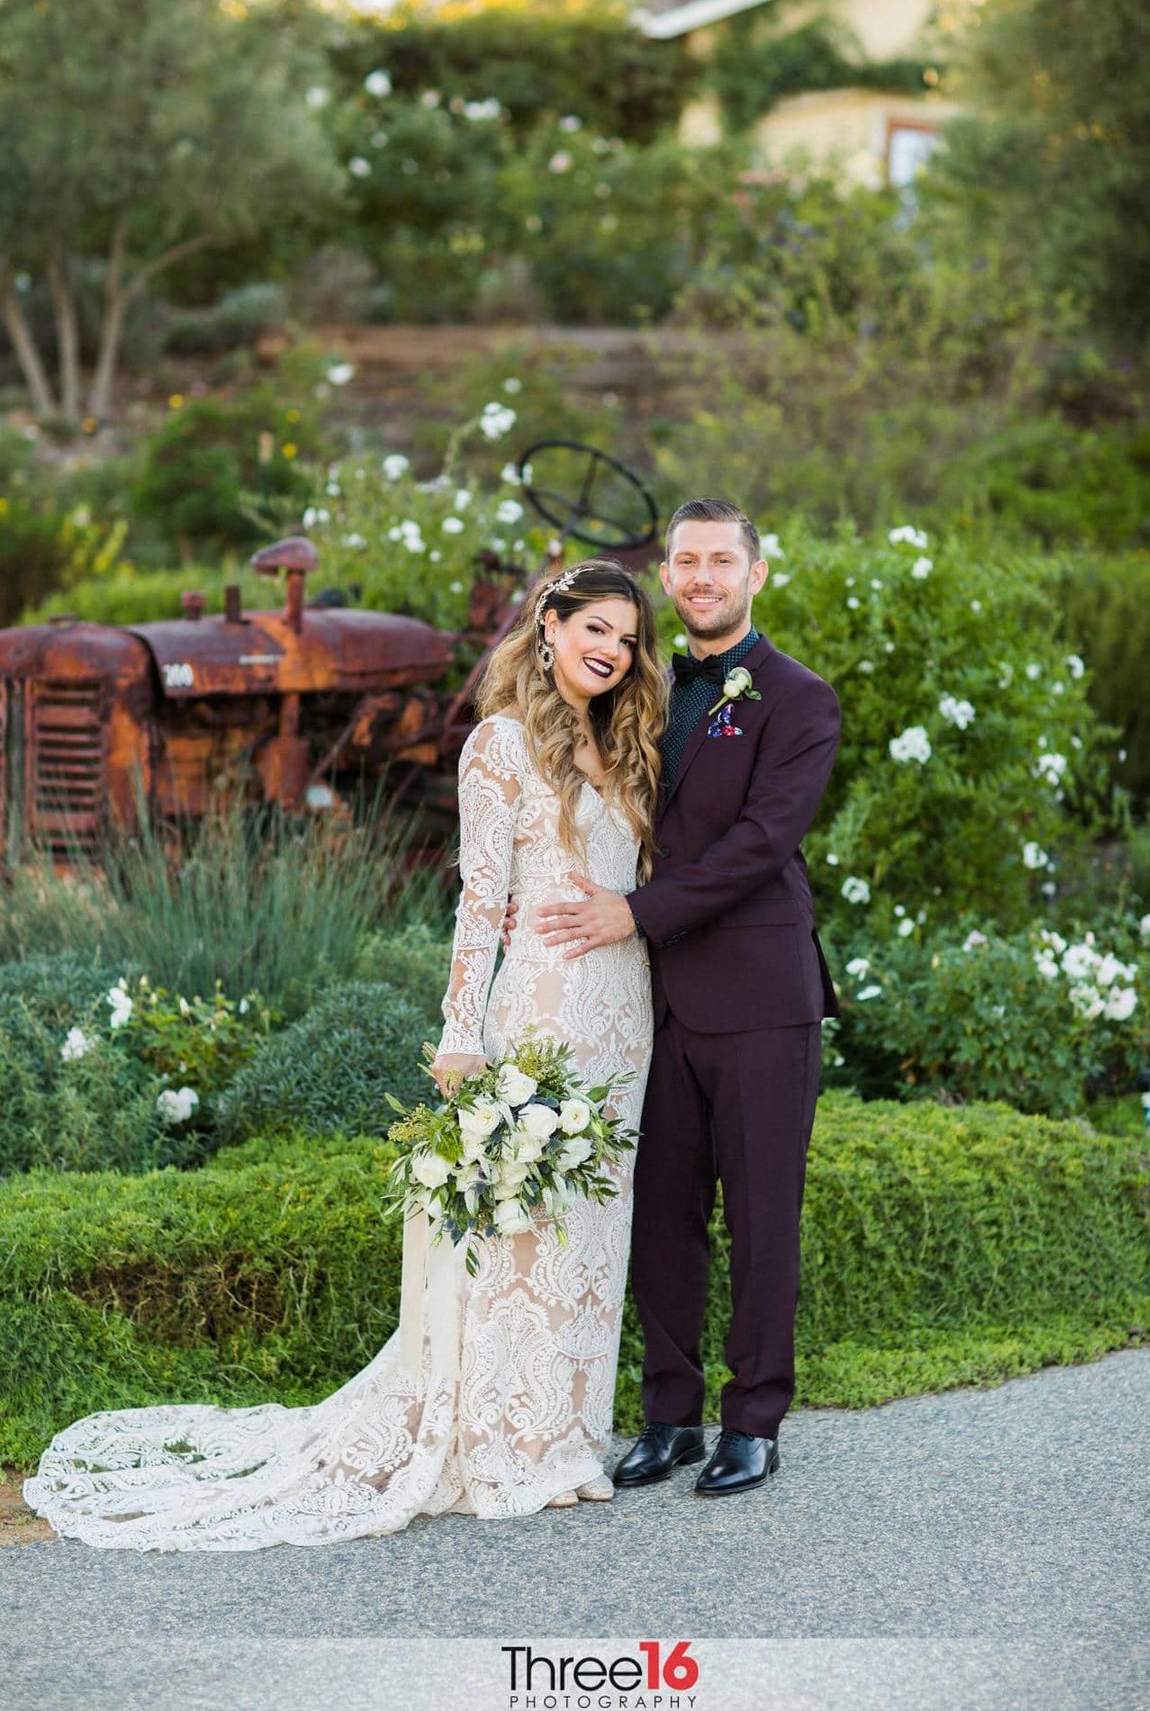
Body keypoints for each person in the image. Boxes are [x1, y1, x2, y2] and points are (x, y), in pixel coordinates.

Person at [21, 558, 667, 1550]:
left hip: (625, 1015)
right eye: (597, 630)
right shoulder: (500, 743)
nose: (611, 651)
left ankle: (572, 1434)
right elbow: (478, 903)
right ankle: (510, 1442)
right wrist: (461, 1034)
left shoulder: (625, 746)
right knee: (525, 1230)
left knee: (594, 1226)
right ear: (549, 628)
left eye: (627, 639)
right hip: (540, 1001)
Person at [531, 499, 841, 1498]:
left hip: (759, 993)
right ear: (667, 577)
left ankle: (754, 1420)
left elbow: (759, 845)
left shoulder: (801, 700)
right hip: (645, 1004)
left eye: (721, 560)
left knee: (761, 1215)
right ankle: (668, 1411)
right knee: (659, 1215)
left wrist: (634, 914)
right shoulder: (639, 690)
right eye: (686, 561)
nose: (702, 576)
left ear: (756, 572)